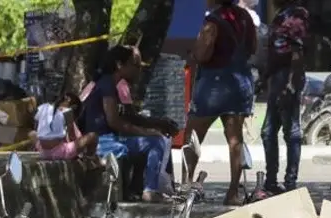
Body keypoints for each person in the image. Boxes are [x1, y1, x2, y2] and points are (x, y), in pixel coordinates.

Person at [184, 0, 258, 206]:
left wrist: (194, 53)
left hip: (214, 84)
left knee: (193, 136)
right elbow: (253, 48)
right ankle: (233, 192)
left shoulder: (212, 22)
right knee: (235, 139)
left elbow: (202, 54)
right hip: (241, 82)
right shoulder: (245, 18)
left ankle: (186, 185)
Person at [83, 45, 175, 202]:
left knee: (152, 142)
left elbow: (130, 116)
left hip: (110, 138)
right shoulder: (107, 85)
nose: (139, 70)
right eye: (135, 65)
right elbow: (114, 121)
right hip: (102, 141)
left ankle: (142, 189)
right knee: (154, 142)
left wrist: (154, 125)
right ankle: (148, 191)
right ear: (120, 64)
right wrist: (146, 132)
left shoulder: (114, 84)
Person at [258, 0, 310, 194]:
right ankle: (271, 180)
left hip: (287, 77)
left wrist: (290, 84)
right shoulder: (281, 16)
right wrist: (264, 78)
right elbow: (274, 53)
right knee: (269, 132)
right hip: (276, 78)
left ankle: (290, 181)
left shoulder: (295, 17)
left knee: (290, 131)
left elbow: (297, 54)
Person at [32, 92, 98, 161]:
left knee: (32, 134)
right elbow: (72, 136)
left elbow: (36, 128)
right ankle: (89, 158)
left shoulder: (44, 107)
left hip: (43, 151)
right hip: (60, 153)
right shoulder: (67, 112)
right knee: (93, 136)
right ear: (73, 106)